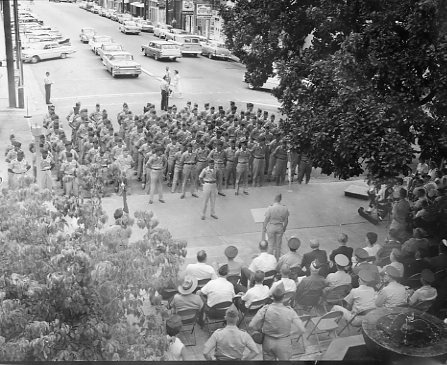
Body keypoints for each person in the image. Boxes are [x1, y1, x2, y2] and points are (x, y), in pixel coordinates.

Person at [249, 283, 306, 360]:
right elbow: (302, 329)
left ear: (272, 297)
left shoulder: (265, 309)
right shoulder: (290, 311)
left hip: (268, 341)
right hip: (284, 342)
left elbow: (251, 325)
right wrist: (290, 333)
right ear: (284, 297)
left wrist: (259, 329)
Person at [262, 193, 289, 259]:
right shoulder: (284, 208)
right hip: (280, 226)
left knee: (270, 244)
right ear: (280, 199)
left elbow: (266, 219)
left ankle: (270, 259)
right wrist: (284, 227)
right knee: (278, 245)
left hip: (271, 226)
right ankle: (277, 259)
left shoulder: (270, 208)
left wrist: (264, 227)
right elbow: (286, 220)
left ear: (275, 199)